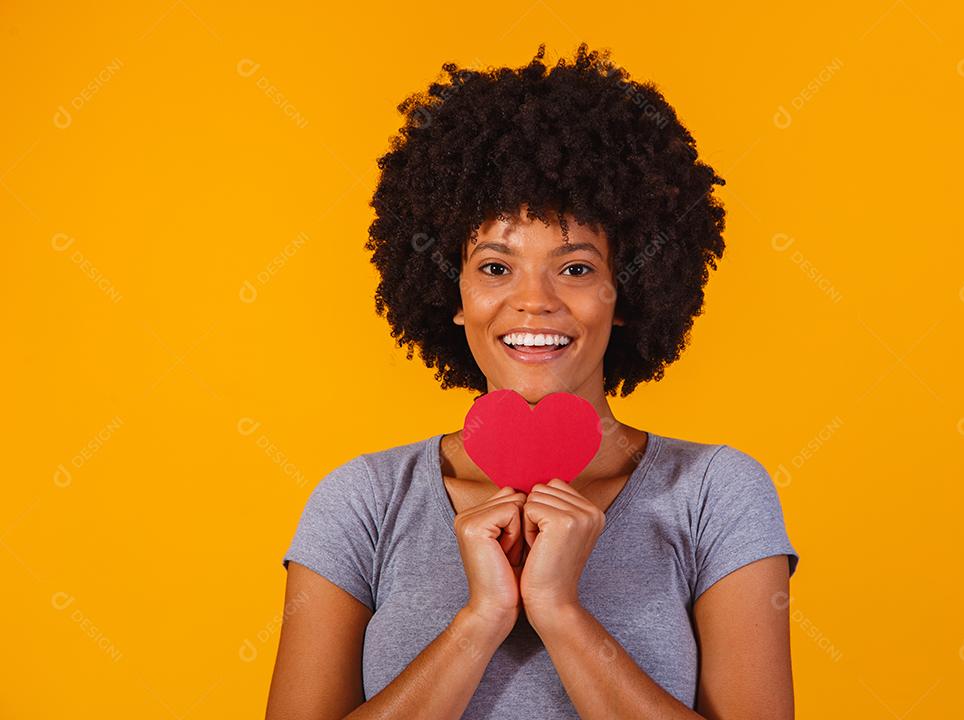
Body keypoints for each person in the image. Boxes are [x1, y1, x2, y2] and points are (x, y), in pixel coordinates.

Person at [266, 42, 800, 720]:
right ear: (451, 293)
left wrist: (559, 612)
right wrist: (483, 617)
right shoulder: (363, 502)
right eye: (495, 267)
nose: (533, 301)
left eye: (575, 268)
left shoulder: (713, 495)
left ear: (624, 291)